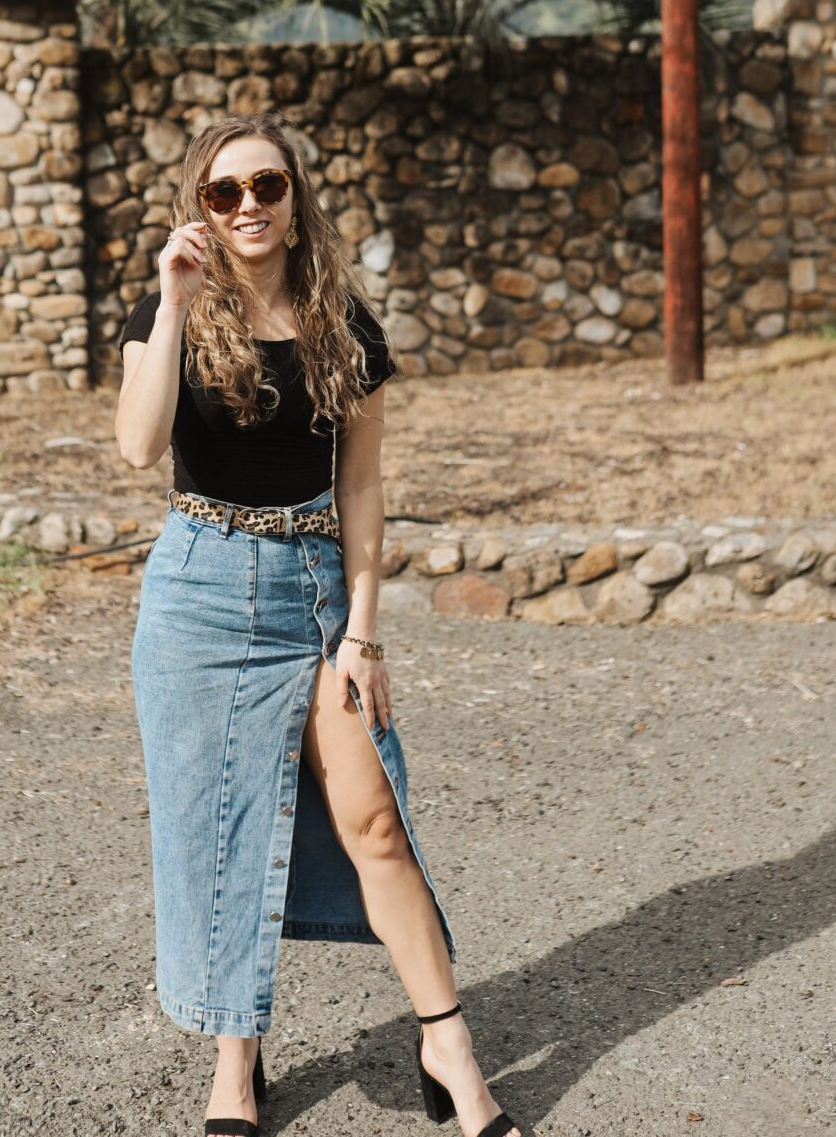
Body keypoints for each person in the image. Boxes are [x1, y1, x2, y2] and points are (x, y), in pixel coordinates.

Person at [116, 111, 522, 1137]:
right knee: (221, 835)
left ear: (296, 202)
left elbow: (364, 487)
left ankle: (448, 1051)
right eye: (222, 192)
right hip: (199, 593)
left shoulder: (346, 326)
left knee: (373, 816)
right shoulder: (166, 313)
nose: (246, 206)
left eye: (265, 187)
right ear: (197, 206)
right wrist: (168, 302)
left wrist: (364, 630)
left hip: (310, 595)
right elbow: (136, 444)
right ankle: (233, 1068)